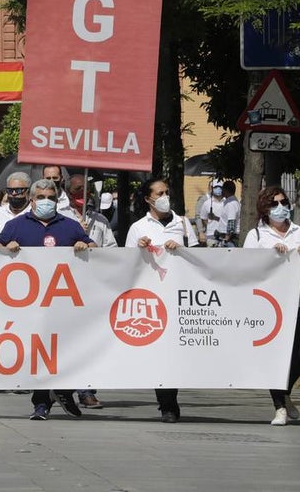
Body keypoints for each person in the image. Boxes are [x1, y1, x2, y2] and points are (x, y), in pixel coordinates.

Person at [0, 178, 92, 419]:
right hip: (30, 303)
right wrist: (5, 249)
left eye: (50, 198)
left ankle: (63, 391)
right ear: (31, 200)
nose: (46, 202)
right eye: (40, 198)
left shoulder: (70, 226)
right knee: (39, 354)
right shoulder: (15, 226)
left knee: (69, 350)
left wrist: (85, 245)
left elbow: (95, 250)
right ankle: (41, 403)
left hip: (64, 301)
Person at [243, 186, 300, 426]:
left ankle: (284, 393)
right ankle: (279, 407)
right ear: (264, 209)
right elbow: (246, 269)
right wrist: (271, 257)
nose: (280, 207)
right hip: (268, 305)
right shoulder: (256, 236)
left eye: (283, 202)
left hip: (297, 301)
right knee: (274, 357)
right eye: (274, 203)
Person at [125, 177, 186, 422]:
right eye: (159, 193)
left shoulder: (182, 223)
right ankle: (167, 404)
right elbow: (127, 262)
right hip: (152, 296)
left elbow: (197, 256)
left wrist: (180, 250)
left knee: (175, 352)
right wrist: (140, 248)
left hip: (177, 294)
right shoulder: (138, 227)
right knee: (161, 351)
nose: (164, 197)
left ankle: (171, 397)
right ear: (148, 199)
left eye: (166, 192)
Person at [64, 174, 115, 409]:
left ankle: (87, 389)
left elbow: (112, 249)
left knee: (90, 341)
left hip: (94, 288)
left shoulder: (101, 220)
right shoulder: (61, 218)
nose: (82, 194)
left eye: (86, 189)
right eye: (77, 189)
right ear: (68, 192)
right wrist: (75, 234)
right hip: (66, 289)